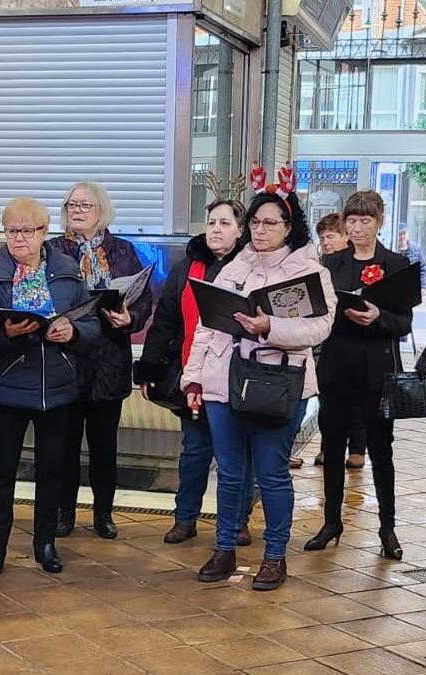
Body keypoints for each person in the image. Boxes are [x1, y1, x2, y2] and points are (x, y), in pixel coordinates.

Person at [181, 191, 334, 588]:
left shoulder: (308, 270)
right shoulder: (235, 266)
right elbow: (206, 325)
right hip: (221, 380)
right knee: (230, 474)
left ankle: (275, 556)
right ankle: (224, 548)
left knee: (271, 474)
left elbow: (320, 327)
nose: (261, 230)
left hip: (276, 382)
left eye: (271, 223)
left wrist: (271, 328)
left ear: (288, 227)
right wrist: (193, 376)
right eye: (255, 222)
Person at [0, 197, 99, 576]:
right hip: (9, 385)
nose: (19, 238)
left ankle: (45, 543)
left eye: (27, 231)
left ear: (45, 232)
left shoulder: (67, 271)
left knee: (51, 469)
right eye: (11, 231)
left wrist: (72, 332)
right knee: (3, 470)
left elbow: (90, 325)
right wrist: (7, 334)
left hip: (56, 386)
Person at [134, 200, 249, 545]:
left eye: (225, 223)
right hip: (193, 375)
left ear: (241, 231)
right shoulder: (187, 267)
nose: (215, 228)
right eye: (212, 221)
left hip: (236, 377)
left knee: (236, 456)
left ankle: (238, 521)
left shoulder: (250, 268)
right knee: (195, 451)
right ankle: (185, 518)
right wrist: (149, 369)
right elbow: (165, 321)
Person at [306, 190, 412, 561]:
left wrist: (378, 317)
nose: (358, 227)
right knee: (332, 446)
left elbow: (404, 322)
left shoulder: (396, 264)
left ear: (379, 220)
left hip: (377, 367)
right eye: (351, 221)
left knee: (381, 450)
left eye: (365, 220)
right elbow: (316, 312)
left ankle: (387, 526)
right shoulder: (331, 263)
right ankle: (331, 520)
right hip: (337, 363)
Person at [47, 182, 152, 540]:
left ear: (101, 210)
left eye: (85, 206)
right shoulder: (52, 251)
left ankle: (104, 514)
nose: (76, 210)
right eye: (71, 205)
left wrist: (131, 318)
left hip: (109, 361)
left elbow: (143, 298)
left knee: (104, 447)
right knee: (65, 447)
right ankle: (64, 513)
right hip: (66, 360)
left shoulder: (123, 251)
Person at [312, 213, 367, 469]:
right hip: (327, 340)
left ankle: (357, 448)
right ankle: (327, 445)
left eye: (331, 236)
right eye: (322, 238)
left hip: (355, 339)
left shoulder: (356, 266)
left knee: (356, 400)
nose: (326, 242)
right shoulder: (321, 266)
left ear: (345, 236)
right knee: (328, 397)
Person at [396, 224, 426, 292]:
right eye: (400, 234)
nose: (402, 237)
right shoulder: (392, 249)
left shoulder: (415, 249)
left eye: (404, 234)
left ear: (408, 234)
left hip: (412, 289)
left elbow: (423, 269)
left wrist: (423, 287)